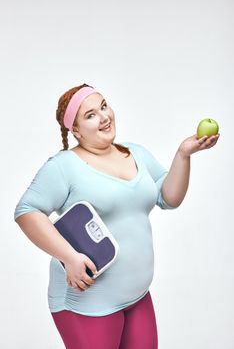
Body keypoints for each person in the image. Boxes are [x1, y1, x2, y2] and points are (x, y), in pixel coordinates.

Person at [14, 83, 219, 349]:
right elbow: (26, 211)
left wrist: (183, 154)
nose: (104, 116)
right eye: (90, 115)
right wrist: (69, 257)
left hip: (137, 297)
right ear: (74, 130)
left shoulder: (136, 153)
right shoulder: (64, 166)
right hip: (88, 303)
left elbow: (168, 198)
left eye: (103, 106)